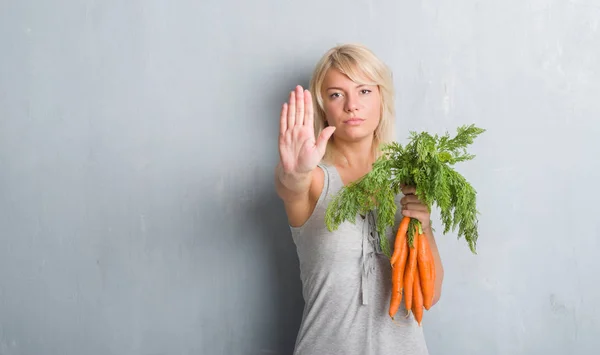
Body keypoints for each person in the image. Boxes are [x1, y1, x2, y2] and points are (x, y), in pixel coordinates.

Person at [275, 43, 444, 355]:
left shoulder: (407, 183)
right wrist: (295, 172)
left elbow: (428, 296)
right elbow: (290, 186)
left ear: (382, 98)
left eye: (364, 91)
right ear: (322, 106)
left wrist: (425, 223)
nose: (352, 105)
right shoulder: (313, 180)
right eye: (336, 94)